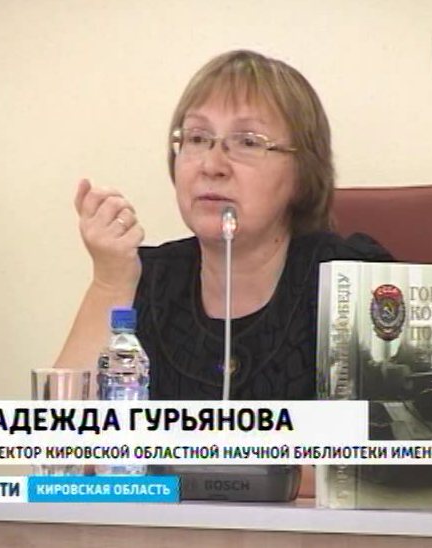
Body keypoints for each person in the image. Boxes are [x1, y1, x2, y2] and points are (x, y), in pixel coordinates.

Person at [56, 50, 393, 494]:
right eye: (197, 138)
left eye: (248, 142)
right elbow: (58, 455)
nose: (212, 165)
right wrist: (110, 279)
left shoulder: (351, 279)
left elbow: (396, 463)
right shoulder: (145, 278)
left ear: (303, 172)